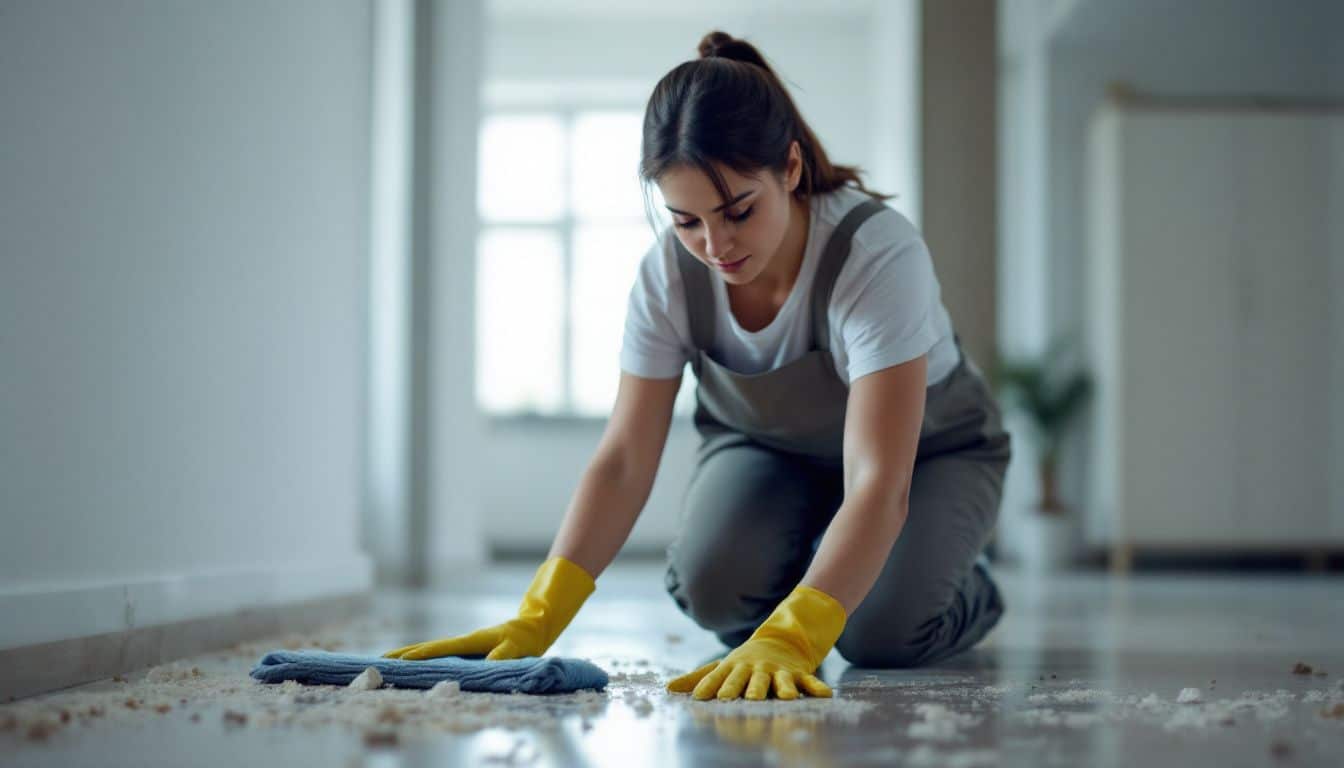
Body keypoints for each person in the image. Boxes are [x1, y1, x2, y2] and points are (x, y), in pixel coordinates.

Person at [384, 31, 1012, 702]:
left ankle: (953, 581)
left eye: (739, 210)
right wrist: (539, 617)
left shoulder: (876, 255)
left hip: (925, 459)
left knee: (877, 633)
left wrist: (798, 634)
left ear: (791, 169)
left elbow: (878, 477)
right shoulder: (668, 277)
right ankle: (840, 566)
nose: (716, 246)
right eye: (686, 221)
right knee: (713, 588)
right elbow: (624, 460)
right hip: (775, 457)